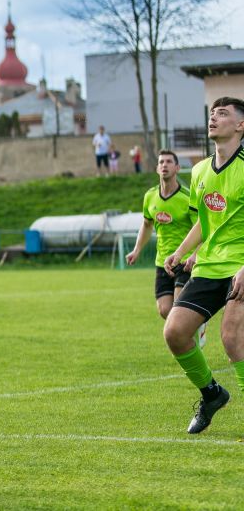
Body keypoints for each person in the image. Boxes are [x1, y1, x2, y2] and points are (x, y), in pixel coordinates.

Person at [162, 96, 244, 435]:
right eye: (211, 114)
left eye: (222, 114)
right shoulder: (198, 170)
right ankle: (212, 395)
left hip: (240, 264)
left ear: (241, 125)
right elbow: (205, 222)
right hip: (209, 264)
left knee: (232, 336)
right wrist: (182, 252)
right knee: (175, 332)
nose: (214, 119)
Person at [126, 150, 205, 346]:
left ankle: (190, 339)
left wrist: (195, 255)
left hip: (184, 261)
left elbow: (203, 228)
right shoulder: (150, 196)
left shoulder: (188, 198)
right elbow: (146, 225)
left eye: (169, 162)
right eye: (161, 162)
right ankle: (196, 324)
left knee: (179, 306)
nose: (164, 165)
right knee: (164, 310)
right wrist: (137, 250)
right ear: (156, 168)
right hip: (162, 262)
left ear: (177, 168)